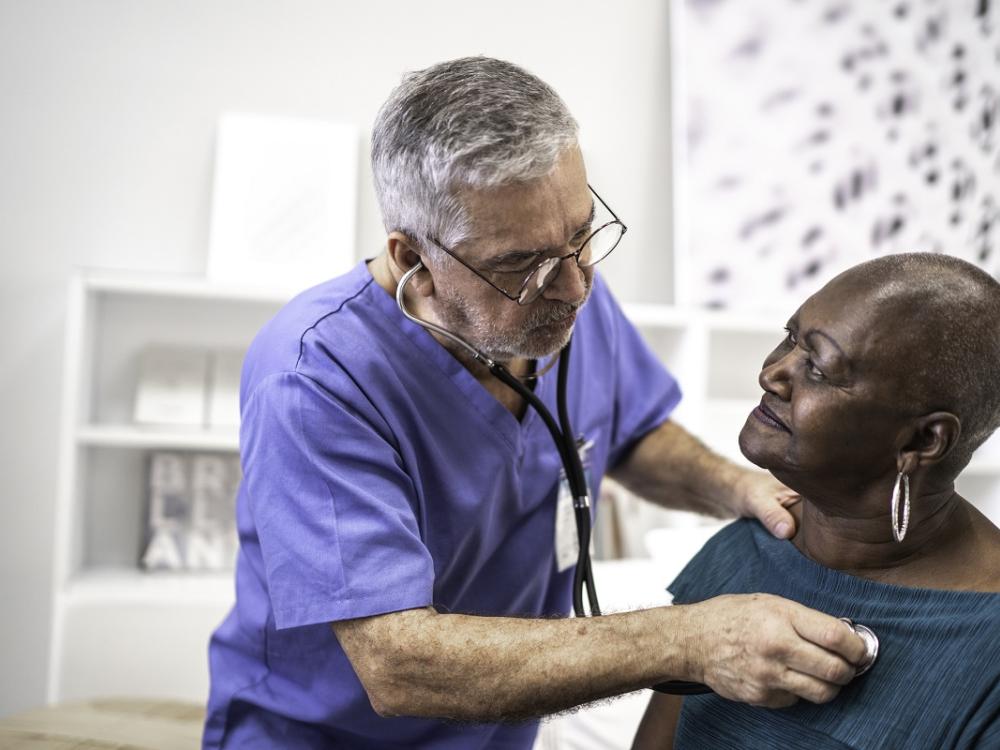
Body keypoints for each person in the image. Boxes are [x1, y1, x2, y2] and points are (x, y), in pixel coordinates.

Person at [202, 56, 867, 749]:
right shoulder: (316, 377)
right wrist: (691, 639)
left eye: (581, 236)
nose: (576, 286)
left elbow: (632, 434)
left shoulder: (565, 294)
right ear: (412, 260)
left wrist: (738, 489)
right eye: (523, 265)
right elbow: (398, 664)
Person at [633, 252, 1000, 749]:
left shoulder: (986, 648)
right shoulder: (748, 546)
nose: (773, 375)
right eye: (789, 337)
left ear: (922, 442)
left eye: (820, 368)